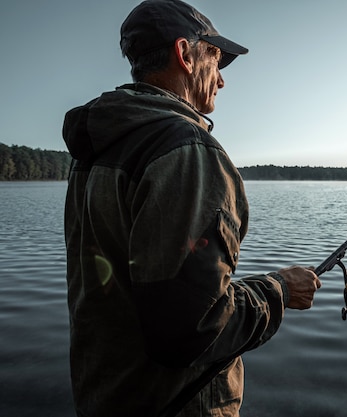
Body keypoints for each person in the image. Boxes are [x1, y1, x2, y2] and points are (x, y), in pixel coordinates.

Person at [62, 1, 321, 416]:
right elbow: (193, 331)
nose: (221, 81)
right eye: (215, 60)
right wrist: (280, 290)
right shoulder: (185, 151)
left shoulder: (97, 151)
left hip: (106, 397)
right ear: (184, 54)